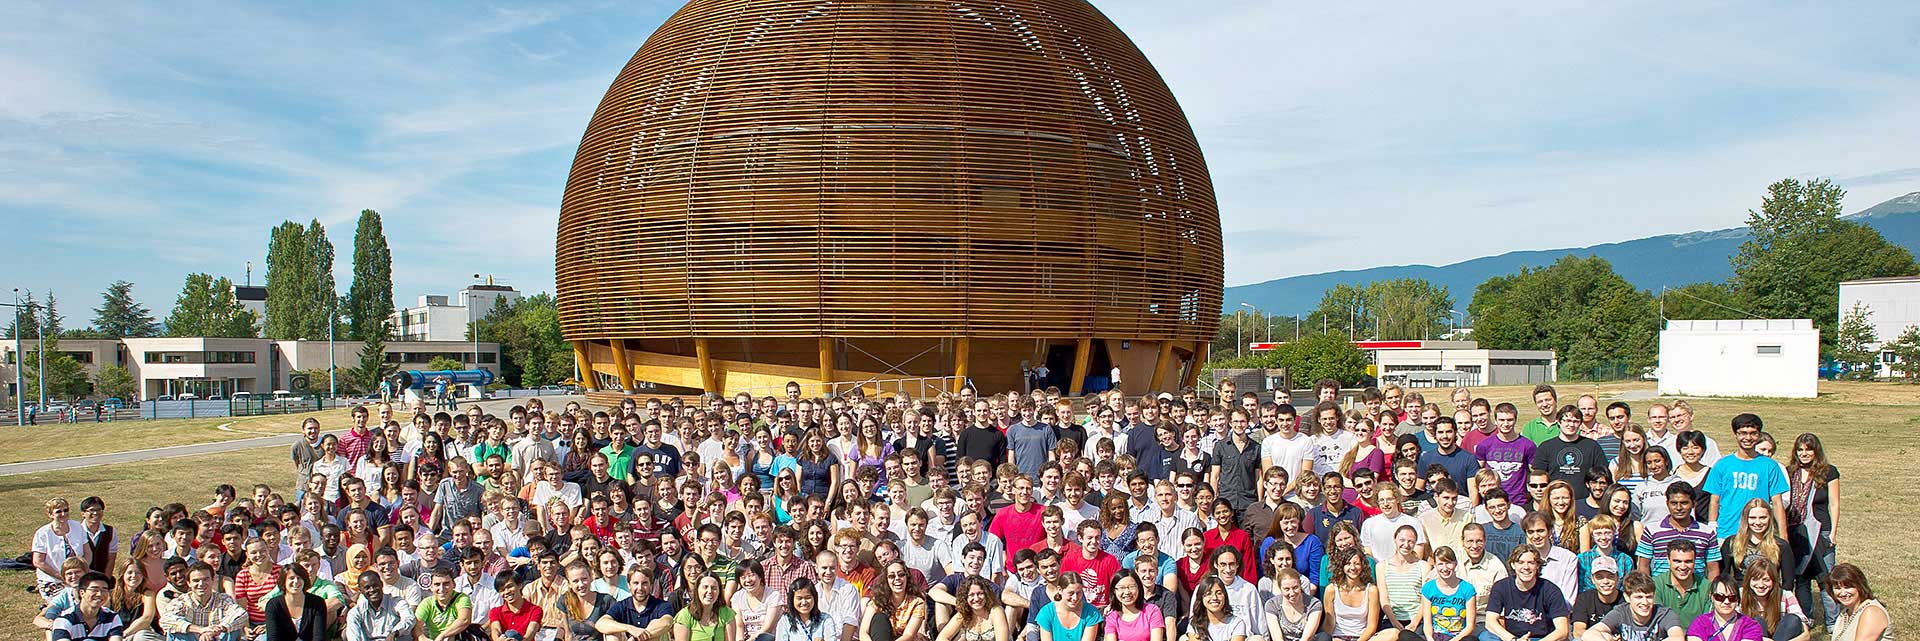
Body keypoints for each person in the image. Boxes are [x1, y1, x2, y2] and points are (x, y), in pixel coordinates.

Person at [1703, 415, 1786, 542]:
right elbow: (1715, 500)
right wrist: (1712, 526)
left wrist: (1783, 536)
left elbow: (1777, 503)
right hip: (1727, 532)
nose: (1748, 438)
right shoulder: (1722, 465)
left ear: (1759, 435)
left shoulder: (1770, 465)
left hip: (1758, 533)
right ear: (1735, 435)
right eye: (1743, 433)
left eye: (1753, 433)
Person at [1483, 545, 1568, 641]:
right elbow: (1490, 622)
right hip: (1512, 637)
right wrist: (1513, 639)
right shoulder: (1501, 587)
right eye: (1520, 562)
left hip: (1542, 638)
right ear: (1513, 565)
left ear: (1537, 566)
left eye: (1531, 563)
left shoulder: (1550, 590)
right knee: (1486, 636)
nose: (1526, 567)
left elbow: (1562, 631)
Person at [1579, 572, 1683, 641]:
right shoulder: (1621, 612)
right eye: (1639, 597)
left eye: (1649, 597)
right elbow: (1588, 634)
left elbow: (1678, 637)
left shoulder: (1664, 614)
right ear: (1627, 597)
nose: (1645, 602)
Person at [161, 562, 248, 641]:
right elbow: (165, 620)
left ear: (213, 580)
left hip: (217, 638)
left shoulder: (223, 599)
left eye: (205, 579)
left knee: (232, 627)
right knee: (175, 629)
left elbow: (241, 613)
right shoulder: (182, 601)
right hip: (191, 639)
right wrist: (200, 630)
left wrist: (216, 630)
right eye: (196, 581)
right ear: (189, 583)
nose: (201, 584)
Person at [1735, 559, 1805, 641]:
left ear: (1773, 581)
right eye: (1755, 579)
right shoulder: (1740, 595)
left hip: (1782, 636)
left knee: (1793, 619)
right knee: (1756, 621)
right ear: (1748, 580)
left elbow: (1806, 634)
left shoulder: (1785, 595)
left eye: (1766, 580)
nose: (1760, 585)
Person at [1320, 549, 1380, 641]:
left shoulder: (1371, 590)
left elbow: (1371, 626)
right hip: (1338, 637)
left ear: (1362, 566)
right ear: (1342, 566)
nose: (1352, 568)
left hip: (1362, 638)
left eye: (1357, 564)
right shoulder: (1331, 589)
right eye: (1348, 564)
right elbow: (1329, 622)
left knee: (1393, 633)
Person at [1421, 547, 1478, 641]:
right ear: (1435, 565)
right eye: (1440, 564)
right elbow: (1427, 624)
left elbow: (1470, 626)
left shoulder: (1468, 589)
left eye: (1448, 563)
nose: (1445, 568)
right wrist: (1430, 638)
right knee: (1405, 635)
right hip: (1436, 636)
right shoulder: (1428, 588)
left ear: (1455, 563)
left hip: (1459, 637)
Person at [49, 570, 123, 641]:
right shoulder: (65, 619)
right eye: (94, 590)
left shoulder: (112, 617)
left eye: (104, 590)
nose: (99, 594)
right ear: (82, 593)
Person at [1683, 576, 1762, 641]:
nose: (1726, 602)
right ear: (1712, 597)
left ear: (1738, 599)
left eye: (1732, 597)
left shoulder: (1750, 625)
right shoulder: (1700, 623)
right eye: (1720, 597)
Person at [261, 563, 326, 641]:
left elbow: (319, 636)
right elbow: (273, 637)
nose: (296, 581)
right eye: (291, 578)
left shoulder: (318, 603)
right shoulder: (273, 605)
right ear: (284, 581)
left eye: (299, 578)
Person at [1825, 564, 1889, 641]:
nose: (1843, 593)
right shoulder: (1845, 613)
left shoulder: (1872, 612)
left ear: (1860, 586)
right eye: (1837, 588)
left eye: (1848, 587)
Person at [1568, 556, 1622, 640]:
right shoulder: (1585, 598)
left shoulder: (1626, 600)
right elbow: (1578, 632)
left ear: (1617, 578)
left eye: (1610, 576)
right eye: (1599, 577)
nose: (1605, 581)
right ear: (1593, 579)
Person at [1035, 575, 1102, 641]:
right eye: (1071, 593)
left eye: (1078, 593)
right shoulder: (1046, 612)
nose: (1075, 598)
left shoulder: (1091, 612)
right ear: (1060, 590)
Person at [1102, 570, 1164, 641]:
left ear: (1139, 588)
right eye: (1121, 588)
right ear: (1114, 591)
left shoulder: (1152, 611)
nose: (1127, 592)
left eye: (1132, 587)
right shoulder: (1112, 617)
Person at [677, 574, 741, 641]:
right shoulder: (684, 616)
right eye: (705, 587)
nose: (710, 591)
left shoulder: (727, 613)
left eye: (714, 588)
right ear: (697, 590)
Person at [1260, 569, 1319, 641]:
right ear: (1280, 588)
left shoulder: (1314, 603)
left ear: (1300, 584)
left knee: (1324, 637)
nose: (1292, 593)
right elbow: (1277, 638)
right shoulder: (1272, 604)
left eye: (1295, 587)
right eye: (1287, 589)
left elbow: (1307, 637)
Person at [1184, 577, 1247, 641]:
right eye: (1208, 594)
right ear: (1201, 598)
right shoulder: (1195, 624)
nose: (1214, 598)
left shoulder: (1236, 623)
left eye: (1219, 593)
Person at [781, 578, 845, 641]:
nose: (804, 602)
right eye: (799, 598)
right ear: (792, 600)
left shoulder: (826, 619)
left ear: (814, 598)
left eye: (808, 597)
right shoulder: (785, 621)